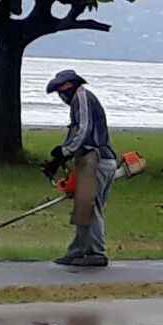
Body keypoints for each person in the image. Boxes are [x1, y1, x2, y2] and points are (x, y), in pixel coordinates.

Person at [43, 70, 118, 267]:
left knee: (91, 208)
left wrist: (65, 150)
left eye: (61, 92)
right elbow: (75, 133)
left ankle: (96, 253)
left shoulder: (82, 98)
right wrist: (59, 159)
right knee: (83, 209)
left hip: (98, 159)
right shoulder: (77, 101)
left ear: (68, 88)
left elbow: (84, 129)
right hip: (89, 160)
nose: (61, 97)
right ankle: (78, 252)